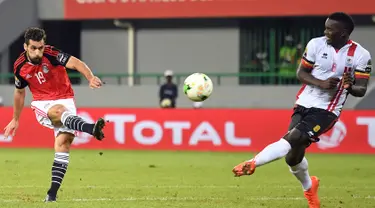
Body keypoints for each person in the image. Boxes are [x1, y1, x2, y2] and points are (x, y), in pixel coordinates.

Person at [232, 12, 372, 208]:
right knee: (292, 157)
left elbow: (361, 89)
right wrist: (321, 83)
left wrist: (349, 87)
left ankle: (253, 162)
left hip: (327, 110)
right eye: (325, 27)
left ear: (344, 33)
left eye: (330, 29)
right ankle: (309, 186)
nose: (326, 32)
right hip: (304, 103)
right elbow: (301, 73)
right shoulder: (316, 44)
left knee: (292, 139)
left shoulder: (361, 55)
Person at [3, 27, 106, 202]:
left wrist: (90, 77)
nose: (38, 52)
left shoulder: (52, 54)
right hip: (43, 102)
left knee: (63, 144)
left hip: (66, 98)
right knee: (58, 112)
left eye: (40, 47)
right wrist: (15, 118)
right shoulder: (19, 66)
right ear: (25, 47)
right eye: (33, 48)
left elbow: (76, 63)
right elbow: (19, 93)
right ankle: (90, 128)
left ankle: (51, 194)